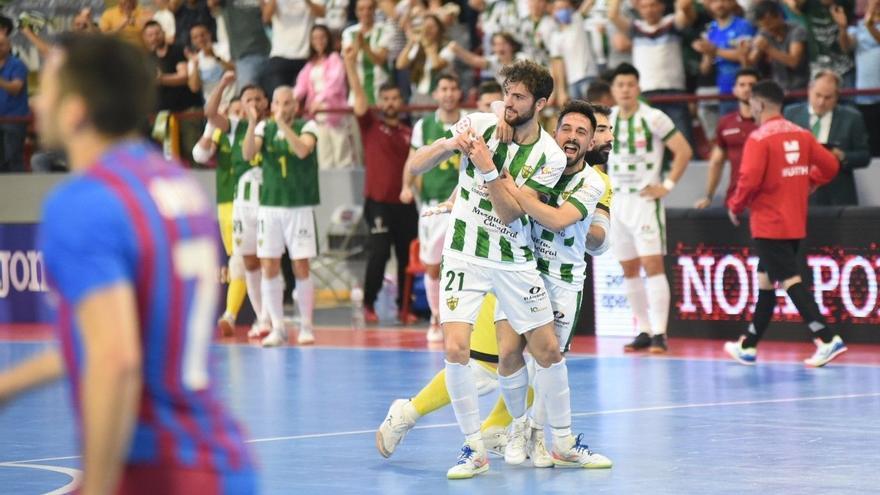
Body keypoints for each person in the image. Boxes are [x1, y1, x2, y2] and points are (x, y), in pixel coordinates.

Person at [0, 33, 255, 493]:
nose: (37, 101)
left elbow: (115, 358)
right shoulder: (177, 186)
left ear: (75, 110)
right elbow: (130, 333)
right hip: (224, 461)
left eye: (49, 89)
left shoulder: (83, 203)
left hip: (160, 472)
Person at [376, 101, 616, 467]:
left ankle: (502, 430)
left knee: (543, 362)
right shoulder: (539, 156)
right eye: (598, 129)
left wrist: (582, 232)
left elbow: (599, 235)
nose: (606, 137)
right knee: (488, 363)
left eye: (602, 131)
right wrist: (461, 195)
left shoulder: (599, 183)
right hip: (510, 268)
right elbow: (498, 137)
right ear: (559, 131)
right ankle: (406, 414)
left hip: (555, 281)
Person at [724, 79, 847, 368]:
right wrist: (811, 181)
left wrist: (735, 205)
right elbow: (831, 165)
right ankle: (749, 345)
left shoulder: (759, 138)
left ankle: (827, 338)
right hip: (794, 221)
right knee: (766, 281)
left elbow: (749, 179)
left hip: (768, 223)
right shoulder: (802, 134)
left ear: (759, 104)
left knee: (790, 280)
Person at [607, 63, 693, 354]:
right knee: (628, 267)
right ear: (613, 90)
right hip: (617, 201)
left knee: (653, 265)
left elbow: (684, 150)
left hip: (645, 201)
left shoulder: (654, 117)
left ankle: (660, 333)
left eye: (631, 84)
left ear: (638, 88)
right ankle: (643, 329)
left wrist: (666, 186)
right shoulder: (607, 118)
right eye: (620, 85)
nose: (626, 90)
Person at [343, 44, 418, 325]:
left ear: (401, 102)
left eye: (394, 98)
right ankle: (368, 303)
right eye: (385, 99)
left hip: (405, 204)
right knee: (379, 253)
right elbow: (360, 102)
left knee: (406, 256)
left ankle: (404, 307)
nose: (389, 103)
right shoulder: (370, 126)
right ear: (380, 101)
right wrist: (350, 65)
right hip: (377, 203)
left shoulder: (411, 132)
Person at [243, 86, 320, 346]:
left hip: (299, 206)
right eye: (277, 102)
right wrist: (253, 122)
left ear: (295, 106)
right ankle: (277, 326)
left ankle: (306, 325)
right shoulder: (264, 129)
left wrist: (282, 126)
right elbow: (248, 154)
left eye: (287, 103)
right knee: (269, 265)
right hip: (270, 206)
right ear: (272, 104)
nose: (282, 107)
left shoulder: (308, 126)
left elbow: (301, 150)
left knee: (301, 265)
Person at [195, 72, 271, 336]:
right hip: (242, 203)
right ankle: (262, 318)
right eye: (247, 99)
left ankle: (273, 318)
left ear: (265, 102)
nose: (253, 103)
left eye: (257, 99)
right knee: (247, 261)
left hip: (271, 201)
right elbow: (210, 113)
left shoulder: (274, 125)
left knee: (270, 261)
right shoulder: (235, 127)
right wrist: (224, 85)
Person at [400, 73, 464, 342]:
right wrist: (406, 186)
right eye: (443, 89)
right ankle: (436, 317)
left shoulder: (470, 122)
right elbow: (413, 159)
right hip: (432, 204)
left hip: (463, 205)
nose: (448, 93)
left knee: (464, 264)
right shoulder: (424, 125)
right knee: (432, 264)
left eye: (453, 88)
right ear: (436, 94)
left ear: (459, 92)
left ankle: (461, 320)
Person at [608, 0, 698, 146]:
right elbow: (612, 15)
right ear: (639, 9)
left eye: (653, 5)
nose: (649, 9)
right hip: (645, 93)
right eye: (644, 6)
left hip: (674, 91)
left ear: (662, 6)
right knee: (649, 143)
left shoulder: (671, 23)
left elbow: (685, 7)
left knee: (684, 141)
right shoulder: (635, 27)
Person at [783, 70, 871, 206]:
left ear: (837, 96)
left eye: (827, 97)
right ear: (809, 90)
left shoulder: (852, 118)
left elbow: (864, 156)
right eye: (817, 95)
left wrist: (841, 156)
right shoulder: (790, 114)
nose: (821, 102)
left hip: (838, 196)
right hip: (801, 195)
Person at [694, 68, 759, 209]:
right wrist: (708, 196)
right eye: (742, 85)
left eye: (752, 85)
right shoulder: (725, 122)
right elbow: (716, 162)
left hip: (766, 200)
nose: (747, 89)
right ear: (734, 90)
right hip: (735, 199)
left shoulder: (770, 122)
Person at [294, 24, 354, 170]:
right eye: (315, 38)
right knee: (324, 156)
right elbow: (300, 86)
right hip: (317, 115)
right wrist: (293, 100)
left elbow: (335, 83)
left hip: (334, 112)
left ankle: (345, 190)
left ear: (328, 39)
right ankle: (329, 192)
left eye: (322, 37)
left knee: (342, 154)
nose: (318, 41)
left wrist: (319, 101)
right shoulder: (310, 64)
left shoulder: (334, 58)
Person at [691, 0, 755, 116]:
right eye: (715, 1)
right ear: (709, 5)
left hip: (747, 91)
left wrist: (714, 50)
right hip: (723, 91)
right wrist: (706, 51)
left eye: (724, 0)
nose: (720, 4)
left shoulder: (743, 25)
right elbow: (705, 69)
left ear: (732, 2)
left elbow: (745, 56)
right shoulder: (711, 29)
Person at [262, 0, 326, 95]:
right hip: (280, 56)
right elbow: (266, 17)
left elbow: (322, 13)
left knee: (303, 103)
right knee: (280, 99)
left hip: (305, 57)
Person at [841, 0, 880, 156]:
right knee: (872, 143)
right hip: (865, 96)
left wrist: (869, 25)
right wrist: (842, 28)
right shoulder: (856, 28)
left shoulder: (869, 26)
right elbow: (846, 47)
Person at [747, 0, 809, 92]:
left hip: (800, 88)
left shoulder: (797, 30)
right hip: (778, 90)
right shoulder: (764, 32)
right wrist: (743, 54)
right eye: (763, 25)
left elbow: (794, 62)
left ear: (779, 17)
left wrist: (768, 49)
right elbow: (750, 63)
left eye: (770, 23)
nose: (768, 28)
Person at [548, 0, 601, 105]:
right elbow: (558, 65)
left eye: (565, 8)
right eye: (559, 9)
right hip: (572, 83)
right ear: (553, 12)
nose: (563, 11)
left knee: (594, 111)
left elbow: (589, 3)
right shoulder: (555, 37)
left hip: (588, 76)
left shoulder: (578, 20)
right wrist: (561, 91)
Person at [342, 0, 395, 104]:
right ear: (356, 12)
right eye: (361, 9)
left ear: (375, 10)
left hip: (380, 91)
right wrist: (357, 45)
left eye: (369, 8)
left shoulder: (385, 30)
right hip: (357, 92)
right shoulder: (349, 32)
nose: (366, 12)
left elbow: (380, 60)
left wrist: (365, 46)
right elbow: (349, 61)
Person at [395, 14, 452, 103]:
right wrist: (410, 43)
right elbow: (400, 65)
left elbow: (436, 65)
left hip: (437, 96)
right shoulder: (418, 47)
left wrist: (426, 43)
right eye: (425, 27)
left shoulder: (447, 48)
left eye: (432, 26)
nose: (428, 30)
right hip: (417, 96)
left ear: (439, 29)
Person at [0, 32, 28, 173]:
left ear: (9, 46)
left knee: (13, 159)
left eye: (1, 45)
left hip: (14, 119)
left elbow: (16, 88)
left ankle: (18, 193)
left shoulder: (17, 64)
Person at [187, 22, 235, 104]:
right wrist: (195, 66)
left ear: (209, 34)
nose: (200, 39)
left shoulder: (224, 48)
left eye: (203, 35)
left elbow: (234, 70)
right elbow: (194, 88)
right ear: (192, 41)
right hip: (213, 105)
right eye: (195, 37)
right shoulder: (193, 61)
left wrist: (215, 56)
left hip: (233, 100)